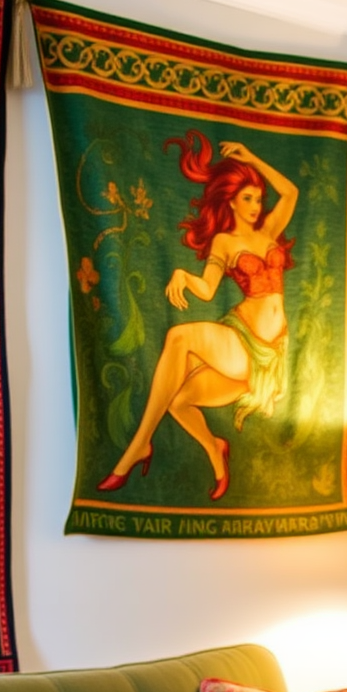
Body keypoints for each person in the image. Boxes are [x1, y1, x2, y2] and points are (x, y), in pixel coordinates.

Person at [98, 131, 298, 501]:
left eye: (257, 199)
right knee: (177, 392)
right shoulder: (225, 242)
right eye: (248, 199)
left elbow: (291, 194)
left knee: (178, 374)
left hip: (271, 354)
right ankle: (206, 447)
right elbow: (207, 289)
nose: (256, 206)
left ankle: (141, 448)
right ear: (233, 203)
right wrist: (183, 276)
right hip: (242, 338)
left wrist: (252, 158)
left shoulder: (269, 230)